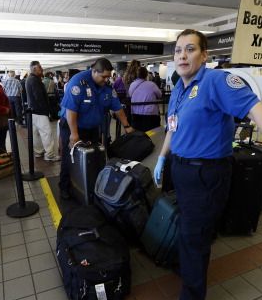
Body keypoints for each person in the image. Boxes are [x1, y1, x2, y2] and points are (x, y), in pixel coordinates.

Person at [153, 29, 262, 300]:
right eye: (178, 51)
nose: (182, 55)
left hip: (207, 171)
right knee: (189, 227)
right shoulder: (181, 87)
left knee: (194, 237)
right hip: (182, 168)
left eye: (190, 49)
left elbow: (256, 109)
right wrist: (162, 156)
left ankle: (191, 299)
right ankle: (188, 264)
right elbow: (173, 126)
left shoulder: (217, 82)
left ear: (205, 55)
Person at [58, 58, 133, 200]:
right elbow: (71, 111)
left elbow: (117, 107)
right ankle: (64, 187)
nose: (106, 80)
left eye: (108, 77)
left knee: (94, 156)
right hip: (72, 126)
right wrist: (74, 135)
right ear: (93, 71)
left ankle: (92, 185)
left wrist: (127, 126)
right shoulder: (78, 83)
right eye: (103, 76)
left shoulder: (106, 86)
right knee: (70, 158)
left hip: (92, 128)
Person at [25, 61, 60, 161]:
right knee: (47, 133)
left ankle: (38, 151)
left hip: (33, 111)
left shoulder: (30, 79)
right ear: (34, 69)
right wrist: (46, 110)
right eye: (40, 68)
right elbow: (39, 97)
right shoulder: (35, 80)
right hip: (39, 111)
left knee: (35, 133)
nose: (42, 69)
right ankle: (50, 155)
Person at [128, 66, 162, 132]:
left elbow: (130, 95)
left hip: (135, 113)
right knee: (152, 134)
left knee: (137, 134)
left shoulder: (132, 85)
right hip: (150, 114)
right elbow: (159, 95)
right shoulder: (152, 84)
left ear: (137, 75)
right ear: (146, 75)